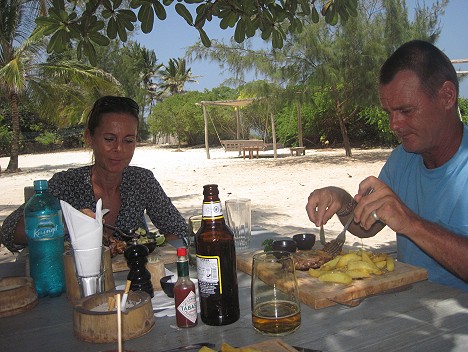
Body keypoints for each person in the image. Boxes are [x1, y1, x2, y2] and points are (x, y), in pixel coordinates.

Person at [305, 40, 468, 291]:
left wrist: (411, 223)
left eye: (406, 110)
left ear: (447, 96)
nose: (394, 124)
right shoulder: (402, 159)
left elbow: (405, 221)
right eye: (389, 112)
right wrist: (341, 199)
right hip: (408, 311)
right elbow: (364, 227)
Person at [1, 96, 189, 254]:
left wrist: (149, 250)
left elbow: (180, 231)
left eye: (129, 140)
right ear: (89, 138)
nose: (119, 149)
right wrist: (68, 222)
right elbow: (9, 233)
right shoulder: (67, 184)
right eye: (109, 139)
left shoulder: (141, 180)